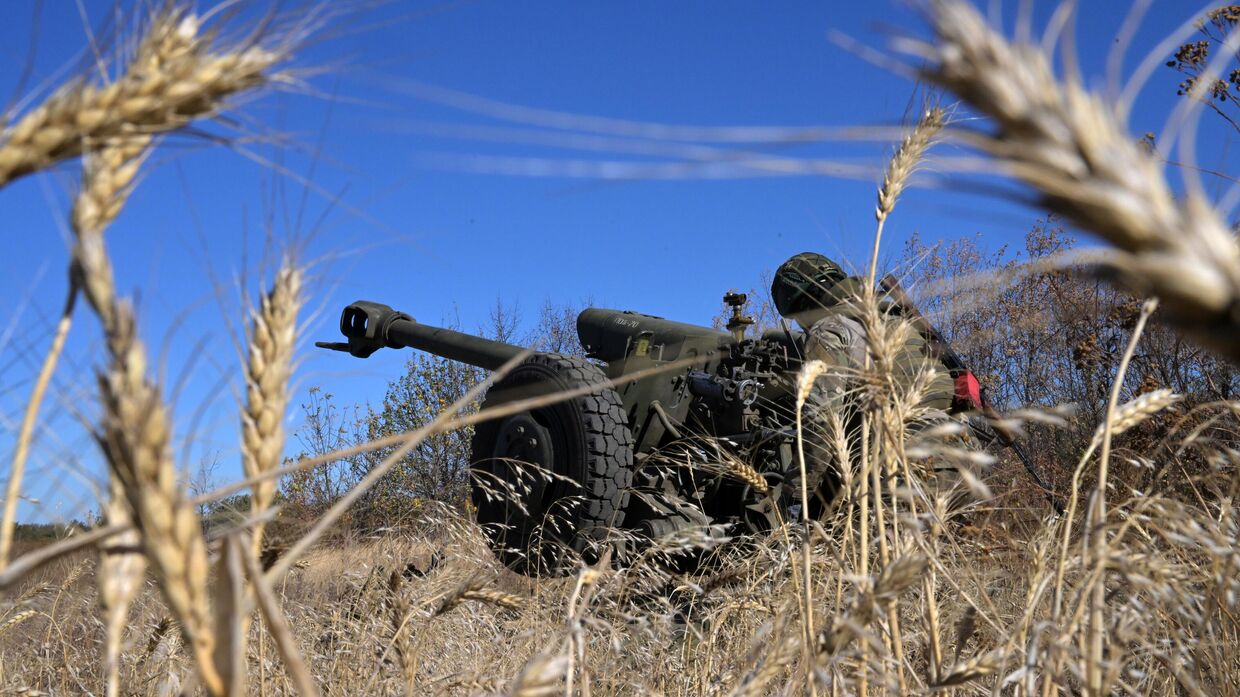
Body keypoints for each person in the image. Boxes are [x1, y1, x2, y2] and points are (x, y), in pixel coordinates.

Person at [770, 252, 966, 515]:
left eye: (797, 317)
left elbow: (822, 419)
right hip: (963, 460)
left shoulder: (830, 329)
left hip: (905, 466)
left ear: (806, 304)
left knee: (881, 556)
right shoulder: (897, 318)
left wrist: (794, 495)